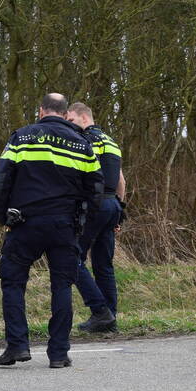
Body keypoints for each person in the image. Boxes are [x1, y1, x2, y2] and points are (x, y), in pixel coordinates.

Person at [0, 93, 104, 368]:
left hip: (24, 223)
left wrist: (2, 216)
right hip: (64, 225)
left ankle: (17, 346)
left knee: (13, 283)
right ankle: (59, 354)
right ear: (66, 114)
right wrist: (82, 226)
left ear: (41, 111)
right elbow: (96, 190)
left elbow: (0, 180)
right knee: (62, 286)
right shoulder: (83, 144)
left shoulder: (22, 137)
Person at [66, 102, 124, 333]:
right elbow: (121, 180)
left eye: (70, 120)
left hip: (94, 205)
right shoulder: (111, 142)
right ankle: (110, 319)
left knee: (72, 257)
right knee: (103, 265)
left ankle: (100, 310)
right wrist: (121, 209)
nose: (68, 125)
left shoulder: (85, 141)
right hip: (112, 205)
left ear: (83, 117)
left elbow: (79, 174)